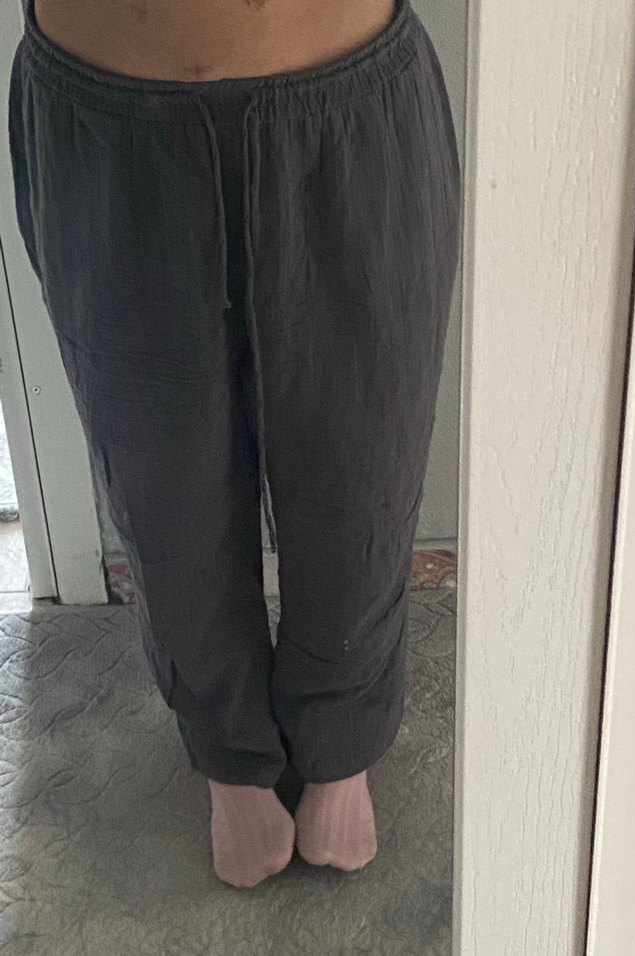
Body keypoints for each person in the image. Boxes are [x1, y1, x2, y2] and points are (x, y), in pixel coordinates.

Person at [8, 0, 461, 888]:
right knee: (161, 486)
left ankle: (340, 744)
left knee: (360, 469)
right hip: (105, 118)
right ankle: (229, 753)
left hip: (345, 105)